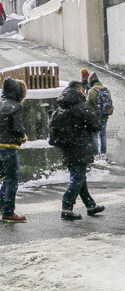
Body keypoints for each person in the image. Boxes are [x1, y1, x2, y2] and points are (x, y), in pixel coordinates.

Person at [55, 80, 104, 220]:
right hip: (80, 147)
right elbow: (96, 125)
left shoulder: (61, 105)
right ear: (80, 90)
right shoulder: (81, 107)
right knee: (77, 178)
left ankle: (90, 205)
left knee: (79, 177)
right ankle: (66, 207)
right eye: (84, 90)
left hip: (67, 148)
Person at [0, 77, 28, 223]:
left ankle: (0, 203)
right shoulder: (16, 106)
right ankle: (8, 211)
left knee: (7, 177)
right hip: (9, 147)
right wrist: (22, 139)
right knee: (12, 178)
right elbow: (17, 129)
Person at [86, 72, 112, 161]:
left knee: (94, 135)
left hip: (95, 117)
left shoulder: (91, 91)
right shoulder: (107, 90)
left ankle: (96, 154)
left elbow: (87, 105)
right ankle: (103, 153)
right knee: (103, 134)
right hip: (104, 116)